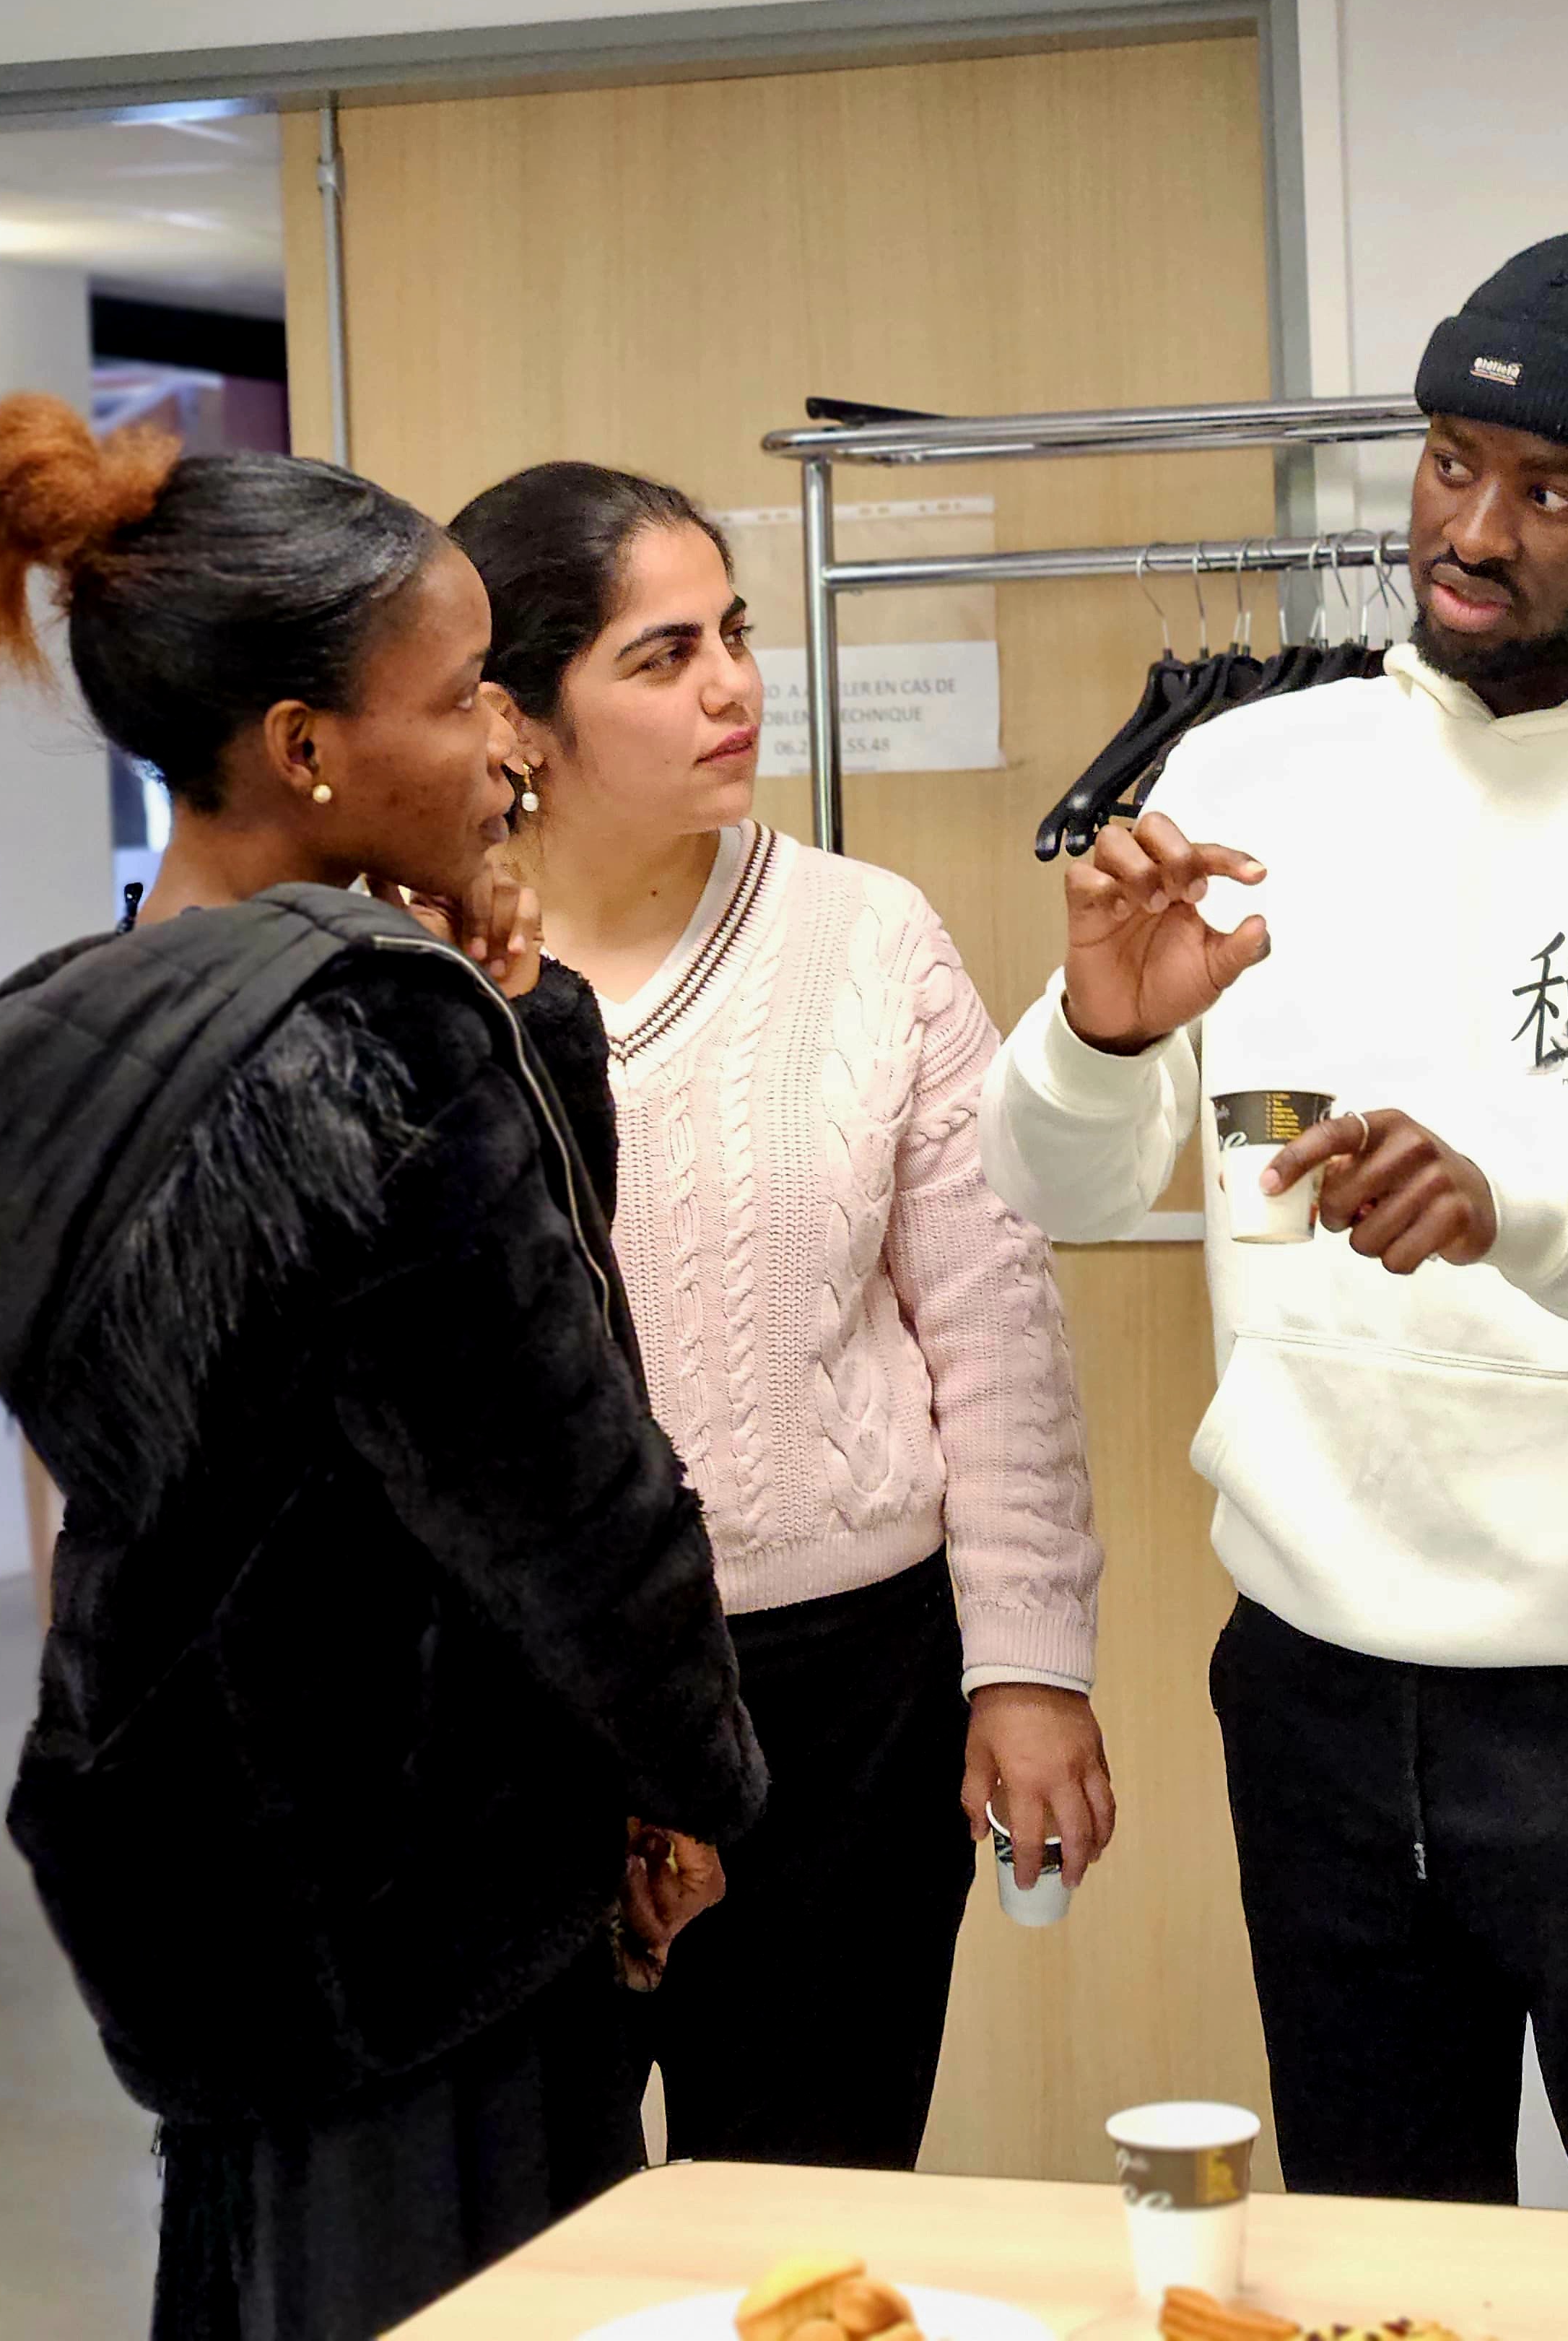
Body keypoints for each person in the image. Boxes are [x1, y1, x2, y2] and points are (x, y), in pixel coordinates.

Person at [979, 225, 1568, 2215]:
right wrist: (1093, 1031)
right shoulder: (1254, 766)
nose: (1472, 533)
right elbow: (1057, 1189)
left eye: (1549, 491)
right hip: (1309, 1672)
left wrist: (1520, 1213)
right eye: (1450, 464)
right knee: (1377, 2254)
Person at [0, 395, 765, 2341]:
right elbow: (570, 1498)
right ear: (305, 748)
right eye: (460, 694)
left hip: (205, 1878)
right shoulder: (371, 1054)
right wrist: (692, 1779)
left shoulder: (79, 1023)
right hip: (430, 1901)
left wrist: (524, 1021)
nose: (508, 740)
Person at [449, 460, 1108, 2172]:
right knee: (536, 2217)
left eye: (734, 634)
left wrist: (1027, 1662)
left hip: (845, 1695)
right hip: (527, 1706)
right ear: (517, 716)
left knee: (814, 2204)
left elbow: (997, 1321)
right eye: (662, 656)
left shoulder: (868, 935)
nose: (732, 685)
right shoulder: (420, 972)